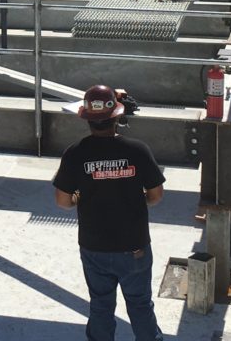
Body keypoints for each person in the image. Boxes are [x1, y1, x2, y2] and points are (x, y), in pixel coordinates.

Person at [53, 84, 165, 341]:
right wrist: (133, 201)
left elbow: (62, 201)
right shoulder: (137, 150)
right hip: (134, 247)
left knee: (101, 305)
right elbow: (156, 196)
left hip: (94, 247)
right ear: (118, 116)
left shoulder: (75, 154)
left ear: (86, 118)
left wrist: (78, 199)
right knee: (139, 305)